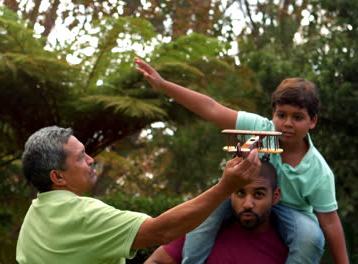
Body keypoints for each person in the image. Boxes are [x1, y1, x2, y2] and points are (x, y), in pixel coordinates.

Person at [134, 57, 349, 264]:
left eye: (298, 117)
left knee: (311, 238)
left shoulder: (318, 171)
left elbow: (330, 222)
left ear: (312, 121)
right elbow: (211, 108)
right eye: (281, 115)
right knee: (202, 214)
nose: (287, 123)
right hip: (242, 193)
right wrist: (163, 85)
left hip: (291, 212)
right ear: (272, 115)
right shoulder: (259, 129)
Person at [16, 126, 261, 264]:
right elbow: (161, 231)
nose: (91, 160)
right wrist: (225, 187)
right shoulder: (83, 215)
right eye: (81, 157)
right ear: (57, 177)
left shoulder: (34, 216)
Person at [144, 160, 288, 264]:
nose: (247, 204)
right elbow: (156, 261)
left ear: (275, 196)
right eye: (240, 193)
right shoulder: (202, 232)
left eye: (258, 195)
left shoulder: (288, 248)